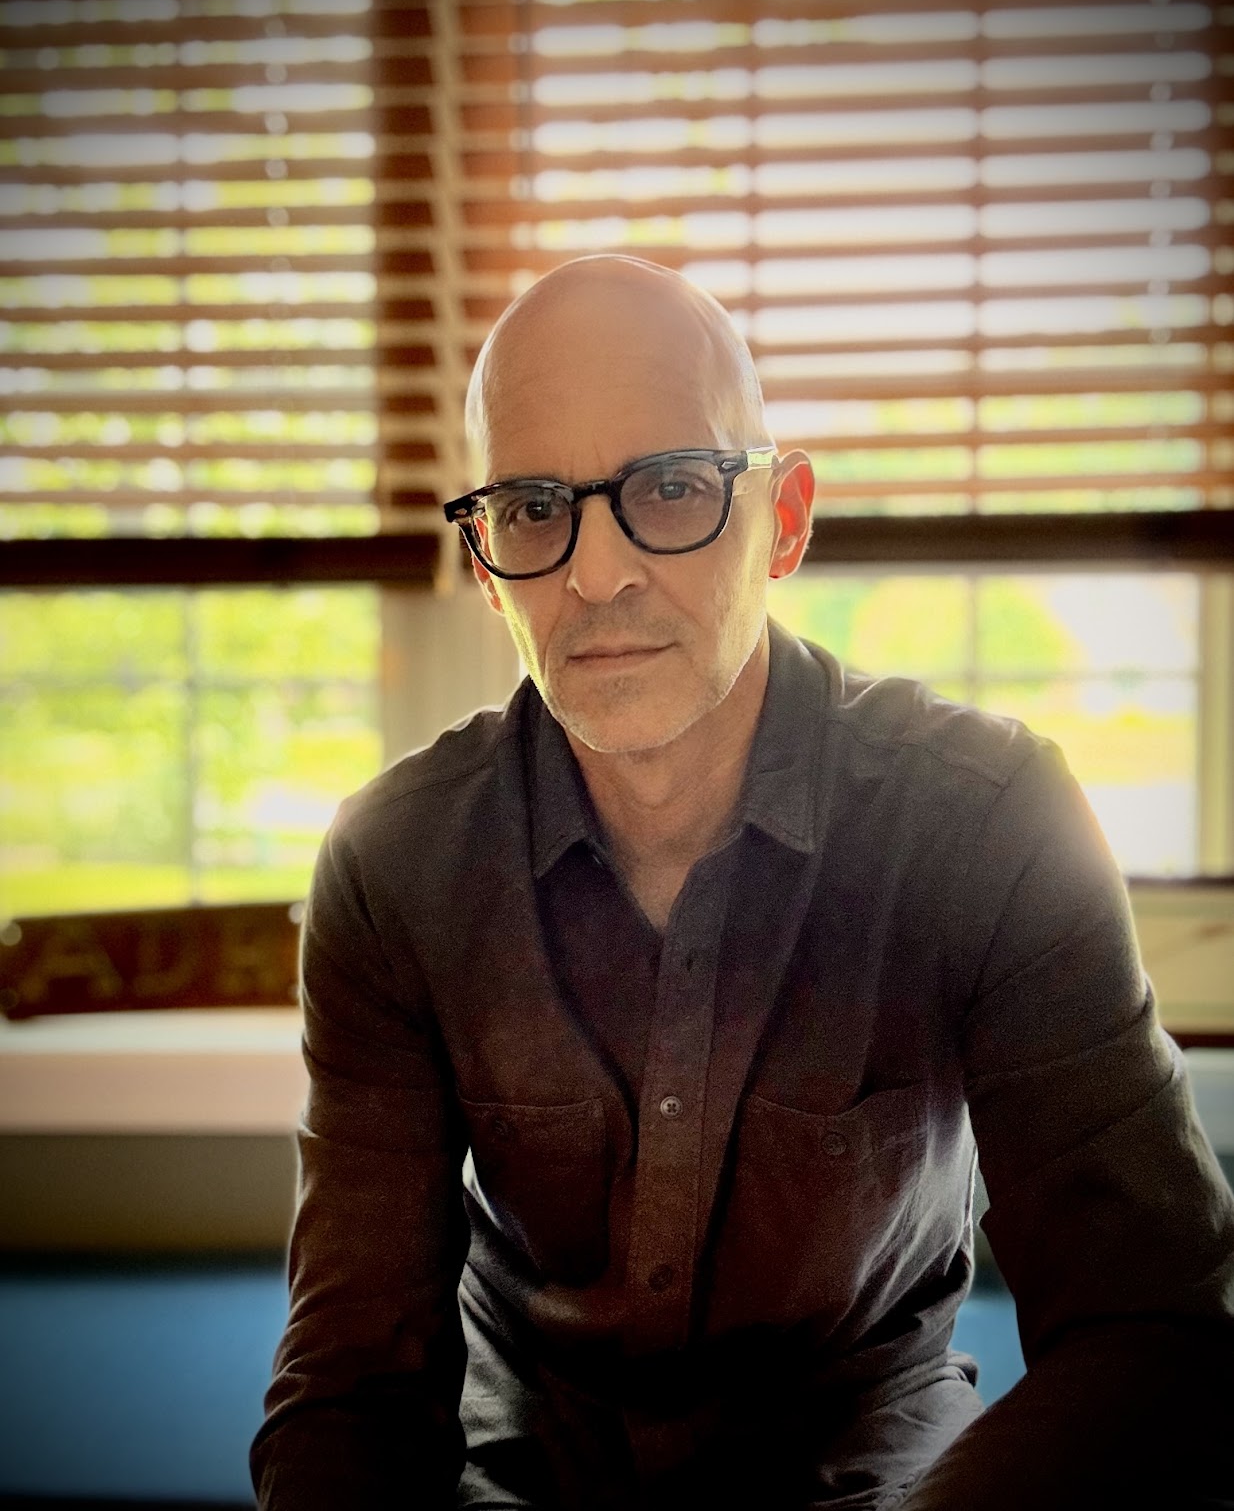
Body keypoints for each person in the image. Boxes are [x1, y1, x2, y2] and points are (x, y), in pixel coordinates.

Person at [252, 255, 1234, 1510]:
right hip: (520, 1479)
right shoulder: (392, 866)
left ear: (784, 519)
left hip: (885, 1479)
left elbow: (1154, 1331)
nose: (596, 573)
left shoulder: (992, 825)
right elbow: (352, 1389)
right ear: (487, 563)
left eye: (669, 488)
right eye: (535, 508)